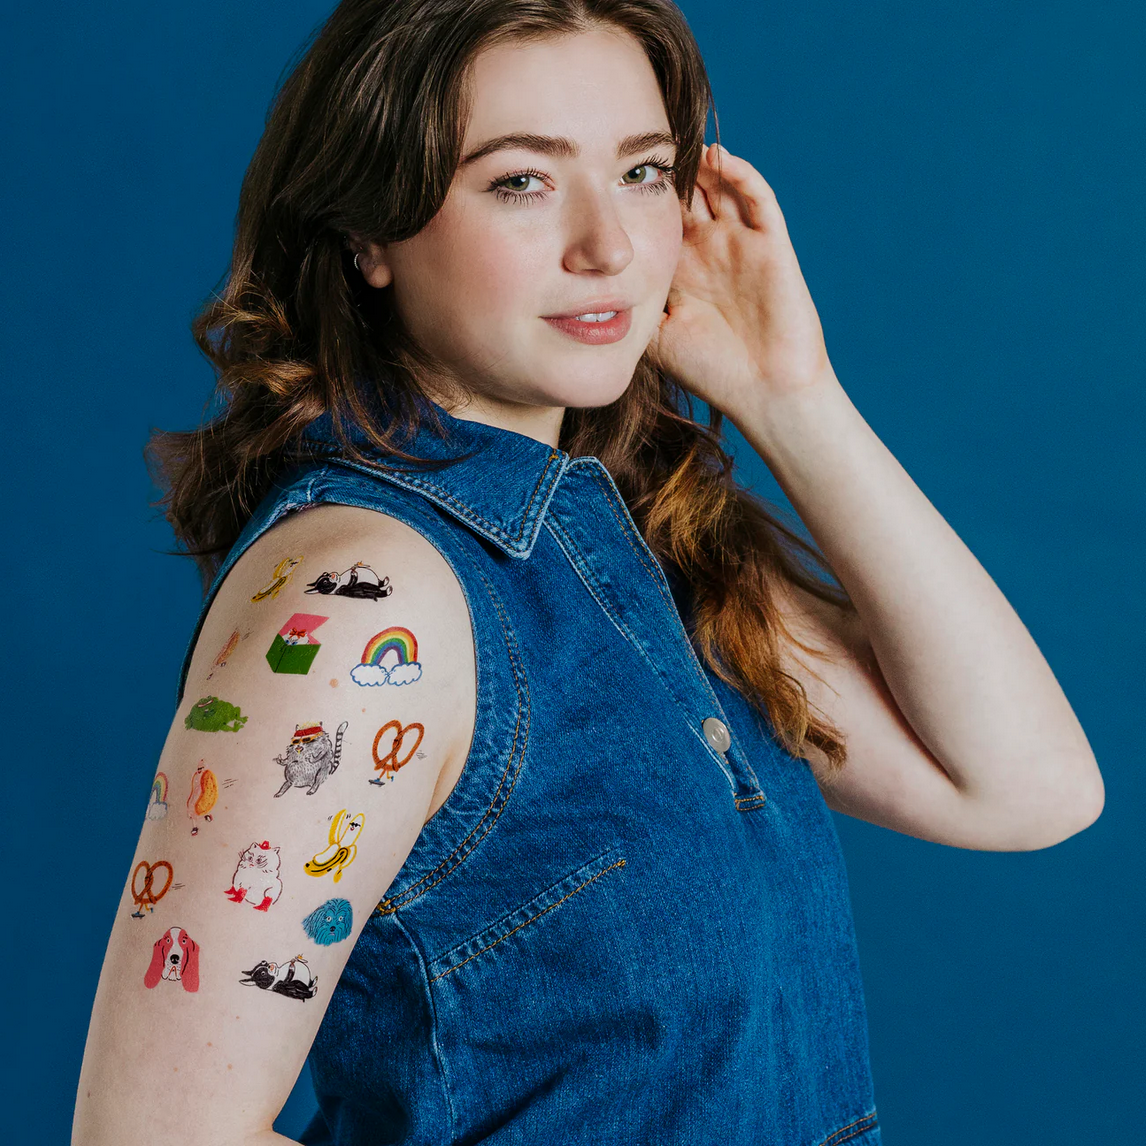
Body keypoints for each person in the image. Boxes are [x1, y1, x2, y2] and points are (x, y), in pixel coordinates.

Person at [72, 1, 1105, 1143]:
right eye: (521, 181)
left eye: (643, 172)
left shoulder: (639, 546)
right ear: (369, 231)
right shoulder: (367, 600)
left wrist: (789, 394)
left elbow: (1027, 788)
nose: (608, 246)